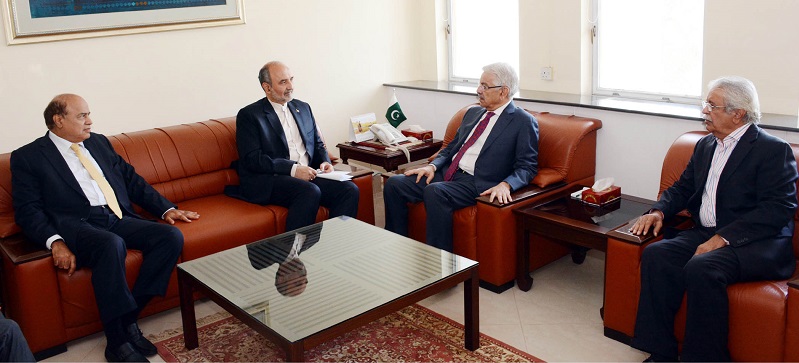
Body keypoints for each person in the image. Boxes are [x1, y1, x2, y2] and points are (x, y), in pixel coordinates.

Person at [11, 94, 200, 362]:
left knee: (169, 236)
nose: (90, 121)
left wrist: (167, 209)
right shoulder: (29, 157)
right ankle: (117, 340)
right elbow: (28, 210)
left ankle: (129, 319)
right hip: (77, 225)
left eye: (89, 114)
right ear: (58, 120)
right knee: (111, 244)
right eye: (82, 116)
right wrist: (55, 241)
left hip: (116, 216)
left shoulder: (98, 142)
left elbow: (132, 180)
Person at [628, 76, 798, 362]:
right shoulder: (706, 145)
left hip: (757, 242)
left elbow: (778, 208)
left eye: (711, 105)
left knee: (702, 267)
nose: (704, 111)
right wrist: (658, 211)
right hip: (708, 231)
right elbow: (682, 188)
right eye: (705, 104)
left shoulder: (773, 150)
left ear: (738, 113)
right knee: (657, 255)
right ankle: (661, 352)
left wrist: (723, 238)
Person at [383, 62, 538, 252]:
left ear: (503, 91)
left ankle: (441, 267)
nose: (478, 90)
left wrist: (506, 184)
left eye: (485, 86)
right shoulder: (473, 113)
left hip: (477, 182)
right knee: (395, 184)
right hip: (448, 172)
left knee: (435, 192)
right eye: (479, 84)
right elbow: (450, 149)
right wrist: (431, 167)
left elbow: (527, 166)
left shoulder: (523, 122)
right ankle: (397, 248)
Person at [227, 61, 359, 232]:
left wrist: (325, 162)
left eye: (291, 79)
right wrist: (293, 169)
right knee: (309, 191)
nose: (291, 86)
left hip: (309, 174)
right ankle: (292, 253)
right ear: (267, 88)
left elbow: (317, 144)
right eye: (283, 82)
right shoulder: (250, 115)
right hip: (272, 178)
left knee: (349, 190)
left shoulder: (303, 108)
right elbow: (253, 159)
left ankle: (334, 248)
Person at [246, 223, 322, 296]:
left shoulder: (263, 260)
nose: (304, 277)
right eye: (306, 281)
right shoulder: (313, 240)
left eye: (297, 283)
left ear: (281, 280)